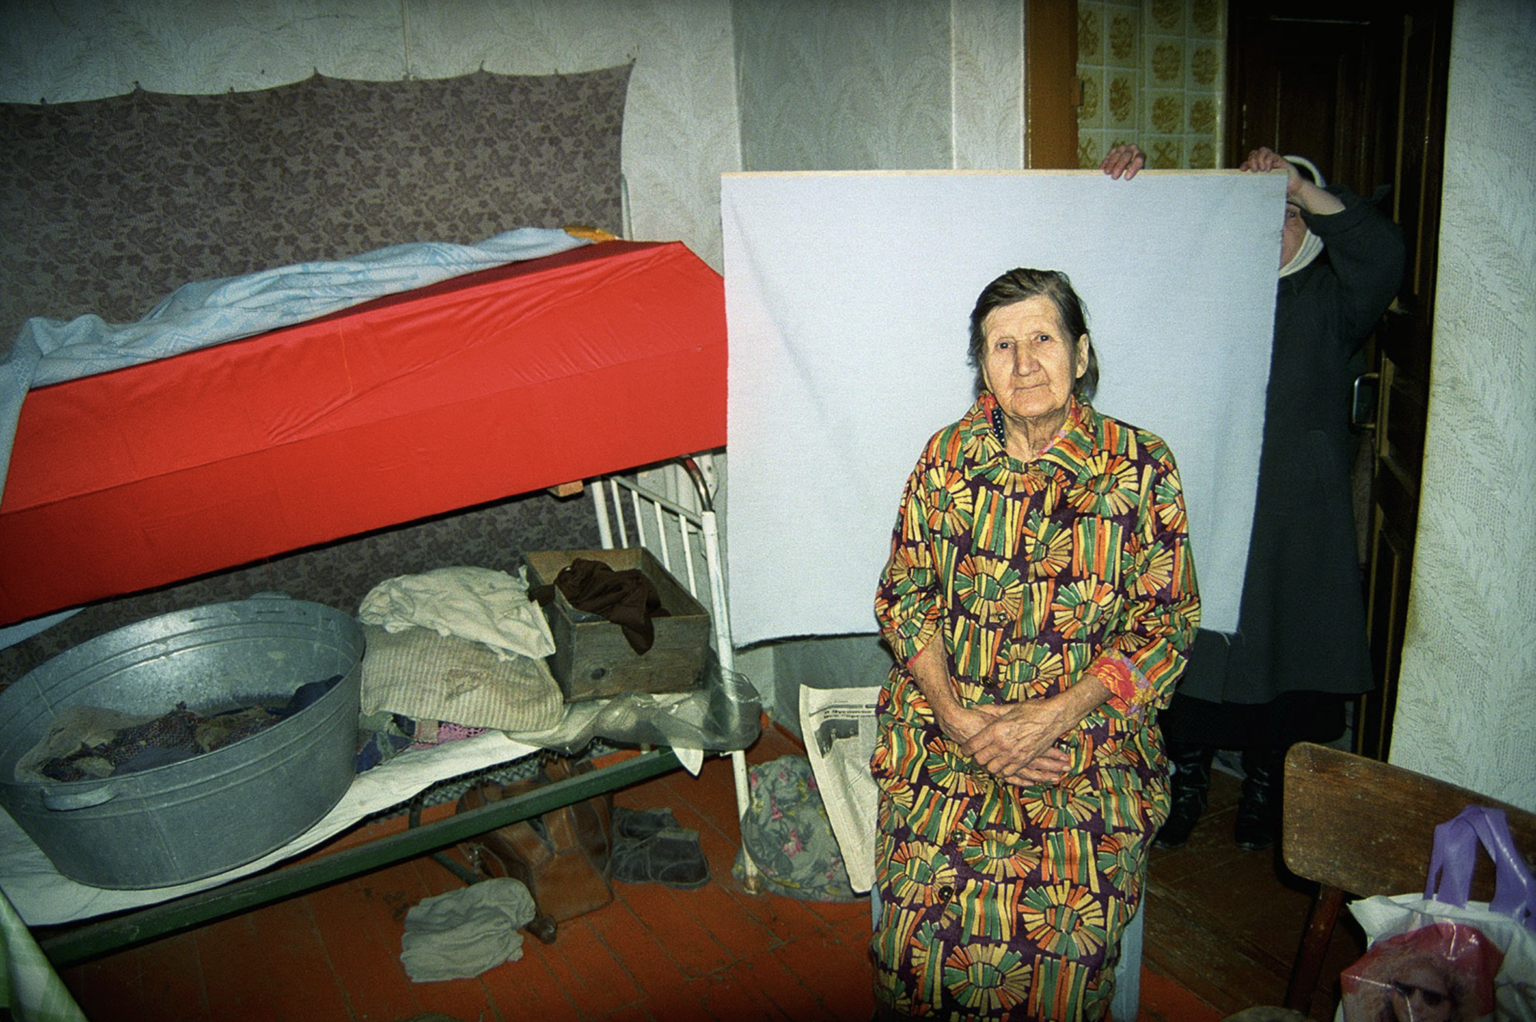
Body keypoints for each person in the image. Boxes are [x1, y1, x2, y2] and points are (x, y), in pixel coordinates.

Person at [869, 267, 1200, 1020]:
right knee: (917, 951)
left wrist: (1052, 719)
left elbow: (1164, 626)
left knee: (1060, 957)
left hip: (1084, 750)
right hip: (947, 743)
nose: (1023, 363)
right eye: (1002, 345)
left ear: (1080, 354)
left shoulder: (1139, 467)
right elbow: (904, 596)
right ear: (982, 365)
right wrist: (955, 715)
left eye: (1043, 339)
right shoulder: (947, 458)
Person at [1100, 142, 1405, 852]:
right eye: (1257, 213)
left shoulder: (1334, 300)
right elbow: (1120, 267)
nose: (1272, 227)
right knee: (1198, 649)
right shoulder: (1201, 293)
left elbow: (1383, 254)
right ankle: (1187, 779)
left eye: (1288, 214)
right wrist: (1131, 190)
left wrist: (1296, 186)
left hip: (1299, 516)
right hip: (1210, 500)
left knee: (1289, 651)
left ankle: (1267, 785)